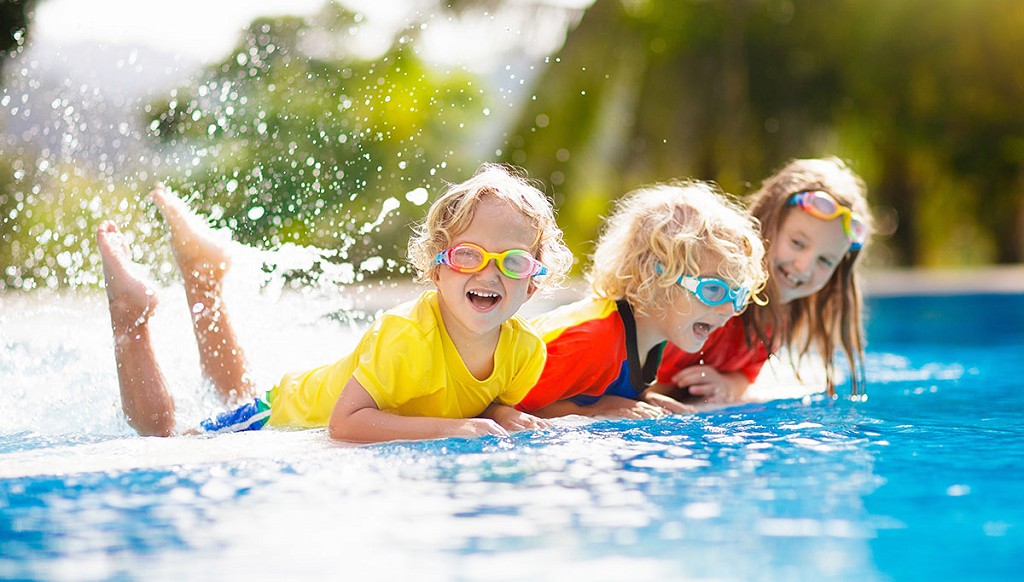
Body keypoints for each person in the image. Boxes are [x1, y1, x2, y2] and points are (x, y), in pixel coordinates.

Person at [97, 163, 574, 442]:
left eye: (512, 262)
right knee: (167, 442)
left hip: (299, 404)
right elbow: (344, 425)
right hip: (284, 413)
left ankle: (204, 278)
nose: (489, 273)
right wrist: (453, 430)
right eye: (470, 255)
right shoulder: (407, 336)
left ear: (533, 282)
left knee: (232, 391)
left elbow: (478, 404)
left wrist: (500, 415)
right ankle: (131, 317)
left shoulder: (525, 352)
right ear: (437, 268)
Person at [514, 180, 769, 419]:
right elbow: (510, 408)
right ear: (655, 277)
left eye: (739, 295)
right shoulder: (593, 340)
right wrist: (600, 408)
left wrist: (648, 399)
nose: (730, 309)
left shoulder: (650, 338)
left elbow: (604, 386)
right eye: (713, 290)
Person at [650, 157, 873, 405]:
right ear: (764, 223)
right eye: (797, 243)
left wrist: (727, 385)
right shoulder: (711, 290)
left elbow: (745, 374)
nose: (804, 267)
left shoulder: (778, 316)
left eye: (825, 261)